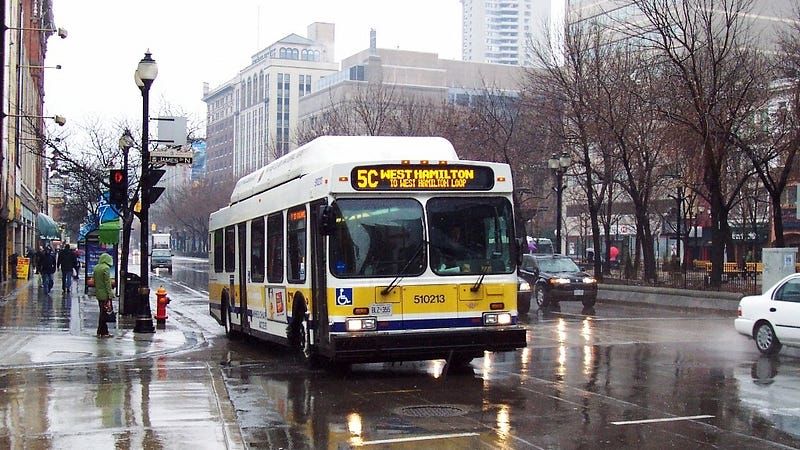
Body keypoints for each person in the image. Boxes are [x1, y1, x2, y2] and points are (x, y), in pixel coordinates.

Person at [93, 253, 114, 338]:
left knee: (102, 312)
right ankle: (101, 331)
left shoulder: (96, 268)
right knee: (104, 314)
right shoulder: (106, 268)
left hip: (98, 293)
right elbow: (107, 283)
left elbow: (95, 281)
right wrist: (110, 294)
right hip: (105, 294)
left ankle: (103, 331)